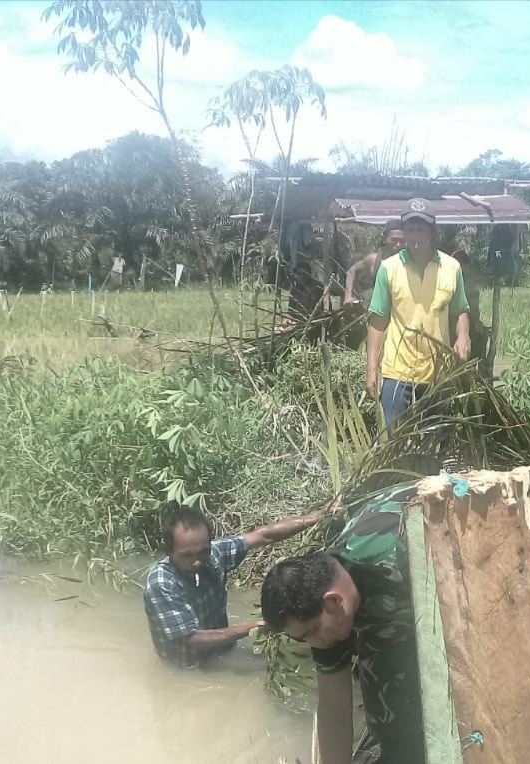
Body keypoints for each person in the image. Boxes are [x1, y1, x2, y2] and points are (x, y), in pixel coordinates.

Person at [261, 484, 423, 764]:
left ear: (334, 601)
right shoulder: (324, 610)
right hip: (387, 609)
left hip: (460, 559)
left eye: (311, 632)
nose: (314, 643)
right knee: (391, 721)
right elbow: (334, 706)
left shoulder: (396, 555)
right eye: (303, 638)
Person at [143, 502, 323, 668]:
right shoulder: (162, 583)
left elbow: (264, 535)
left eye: (203, 551)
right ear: (167, 550)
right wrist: (251, 627)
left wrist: (317, 516)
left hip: (221, 652)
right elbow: (191, 639)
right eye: (187, 555)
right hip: (185, 668)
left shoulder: (214, 555)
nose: (197, 561)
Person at [365, 198, 471, 431]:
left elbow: (460, 310)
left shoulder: (451, 268)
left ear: (432, 232)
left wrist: (463, 336)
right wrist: (372, 369)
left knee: (435, 440)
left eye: (421, 229)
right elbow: (378, 322)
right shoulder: (389, 269)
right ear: (404, 232)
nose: (415, 235)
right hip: (397, 371)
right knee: (394, 438)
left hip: (437, 373)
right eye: (410, 229)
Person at [344, 219, 406, 306]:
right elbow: (352, 271)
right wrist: (348, 296)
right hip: (379, 310)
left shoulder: (411, 261)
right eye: (394, 240)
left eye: (402, 241)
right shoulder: (374, 260)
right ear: (384, 239)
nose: (398, 244)